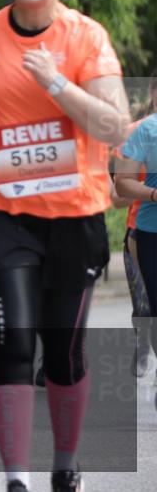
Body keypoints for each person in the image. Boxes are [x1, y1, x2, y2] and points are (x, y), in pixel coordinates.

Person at [0, 0, 130, 492]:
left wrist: (56, 83)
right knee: (13, 342)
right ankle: (16, 478)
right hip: (0, 210)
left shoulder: (87, 37)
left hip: (74, 216)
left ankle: (65, 462)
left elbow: (114, 123)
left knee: (63, 352)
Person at [115, 73, 157, 382]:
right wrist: (152, 192)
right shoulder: (140, 132)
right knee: (147, 308)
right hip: (144, 231)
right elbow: (118, 192)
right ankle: (144, 346)